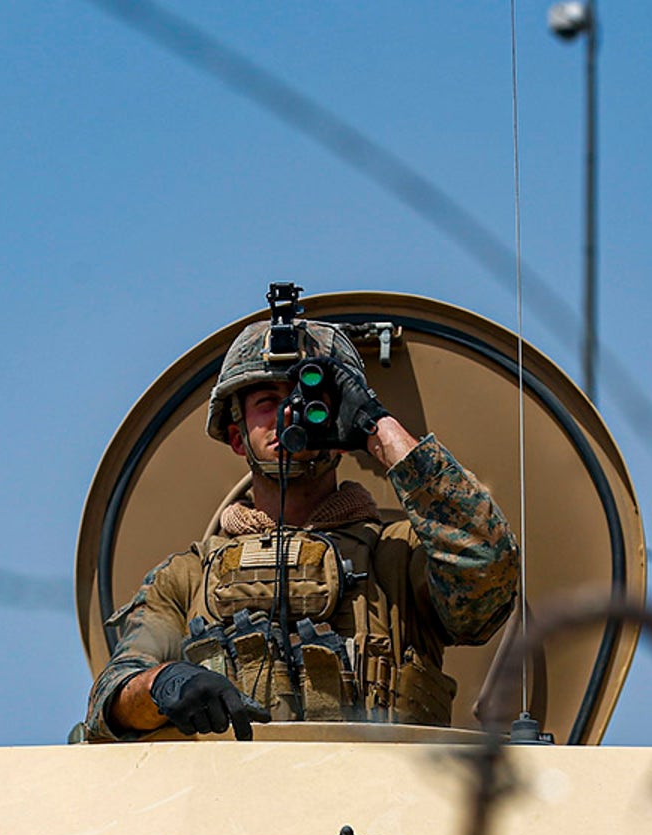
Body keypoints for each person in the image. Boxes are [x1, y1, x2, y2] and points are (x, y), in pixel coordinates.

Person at [84, 317, 520, 741]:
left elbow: (488, 572)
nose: (288, 414)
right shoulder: (186, 578)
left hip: (385, 803)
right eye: (267, 402)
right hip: (228, 803)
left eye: (306, 399)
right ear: (238, 437)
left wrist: (379, 427)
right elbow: (110, 702)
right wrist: (162, 684)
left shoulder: (400, 557)